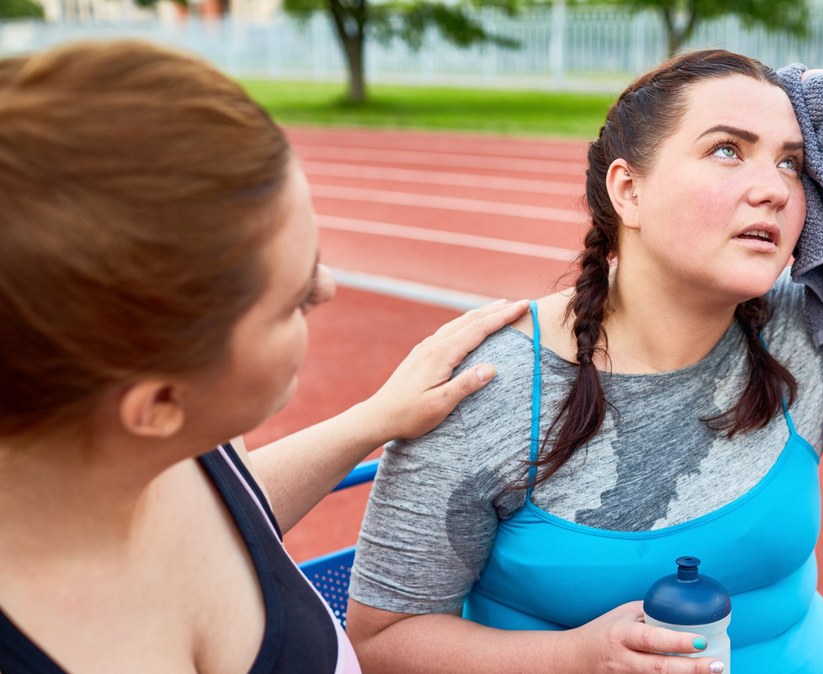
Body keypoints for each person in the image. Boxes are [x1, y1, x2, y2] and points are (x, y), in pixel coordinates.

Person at [345, 50, 823, 673]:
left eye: (796, 165)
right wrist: (573, 657)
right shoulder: (489, 388)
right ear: (628, 189)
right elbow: (383, 640)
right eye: (728, 150)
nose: (772, 188)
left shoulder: (803, 336)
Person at [0, 40, 527, 673]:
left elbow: (229, 514)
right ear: (160, 402)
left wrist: (376, 419)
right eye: (296, 297)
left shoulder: (180, 441)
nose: (328, 289)